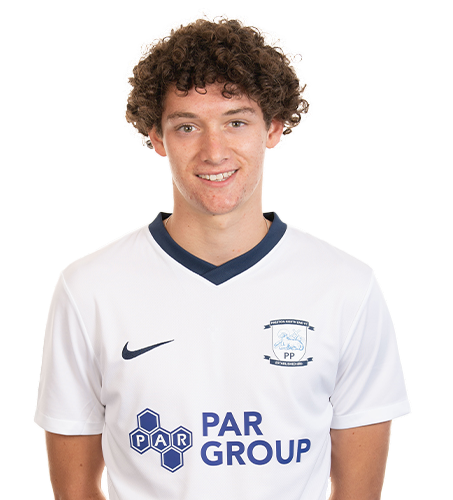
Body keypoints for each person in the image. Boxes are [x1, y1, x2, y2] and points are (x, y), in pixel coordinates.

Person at [34, 13, 411, 500]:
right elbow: (74, 492)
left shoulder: (346, 286)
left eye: (236, 121)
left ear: (273, 128)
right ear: (156, 137)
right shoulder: (89, 287)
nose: (214, 151)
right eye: (188, 126)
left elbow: (358, 495)